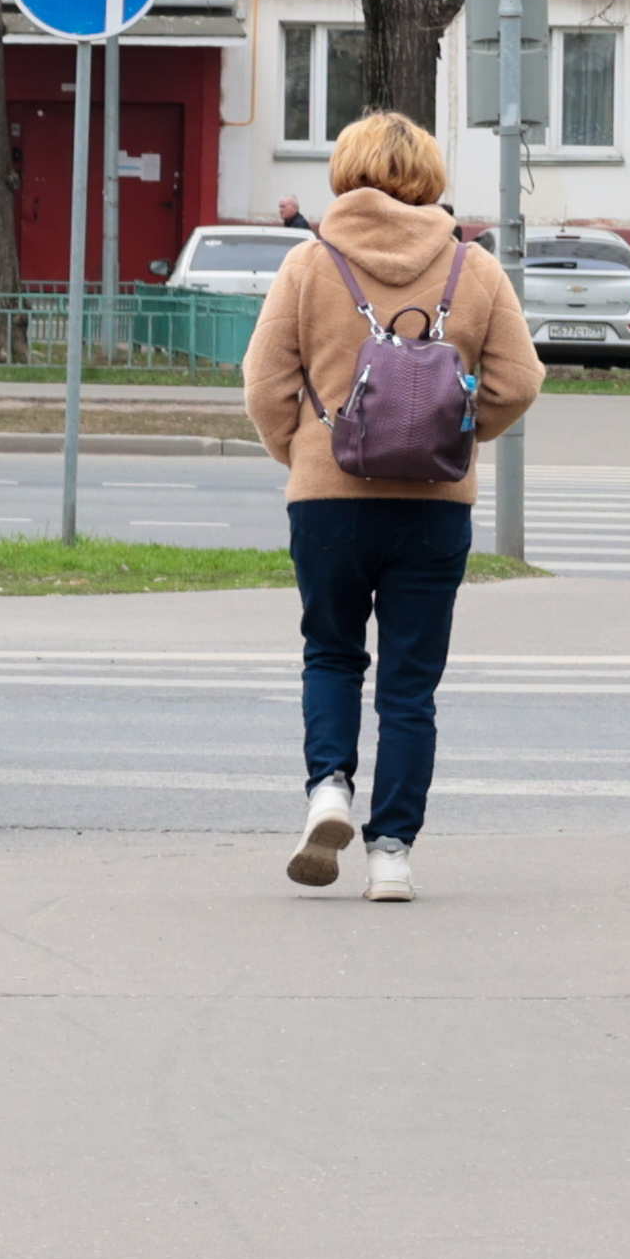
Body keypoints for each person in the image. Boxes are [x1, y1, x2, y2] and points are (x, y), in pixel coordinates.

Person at [242, 109, 543, 903]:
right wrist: (460, 437)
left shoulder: (310, 262)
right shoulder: (472, 268)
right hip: (433, 505)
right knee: (410, 685)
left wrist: (305, 451)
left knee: (332, 652)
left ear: (345, 170)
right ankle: (391, 854)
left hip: (327, 500)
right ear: (429, 178)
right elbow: (521, 380)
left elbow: (264, 381)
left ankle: (329, 788)